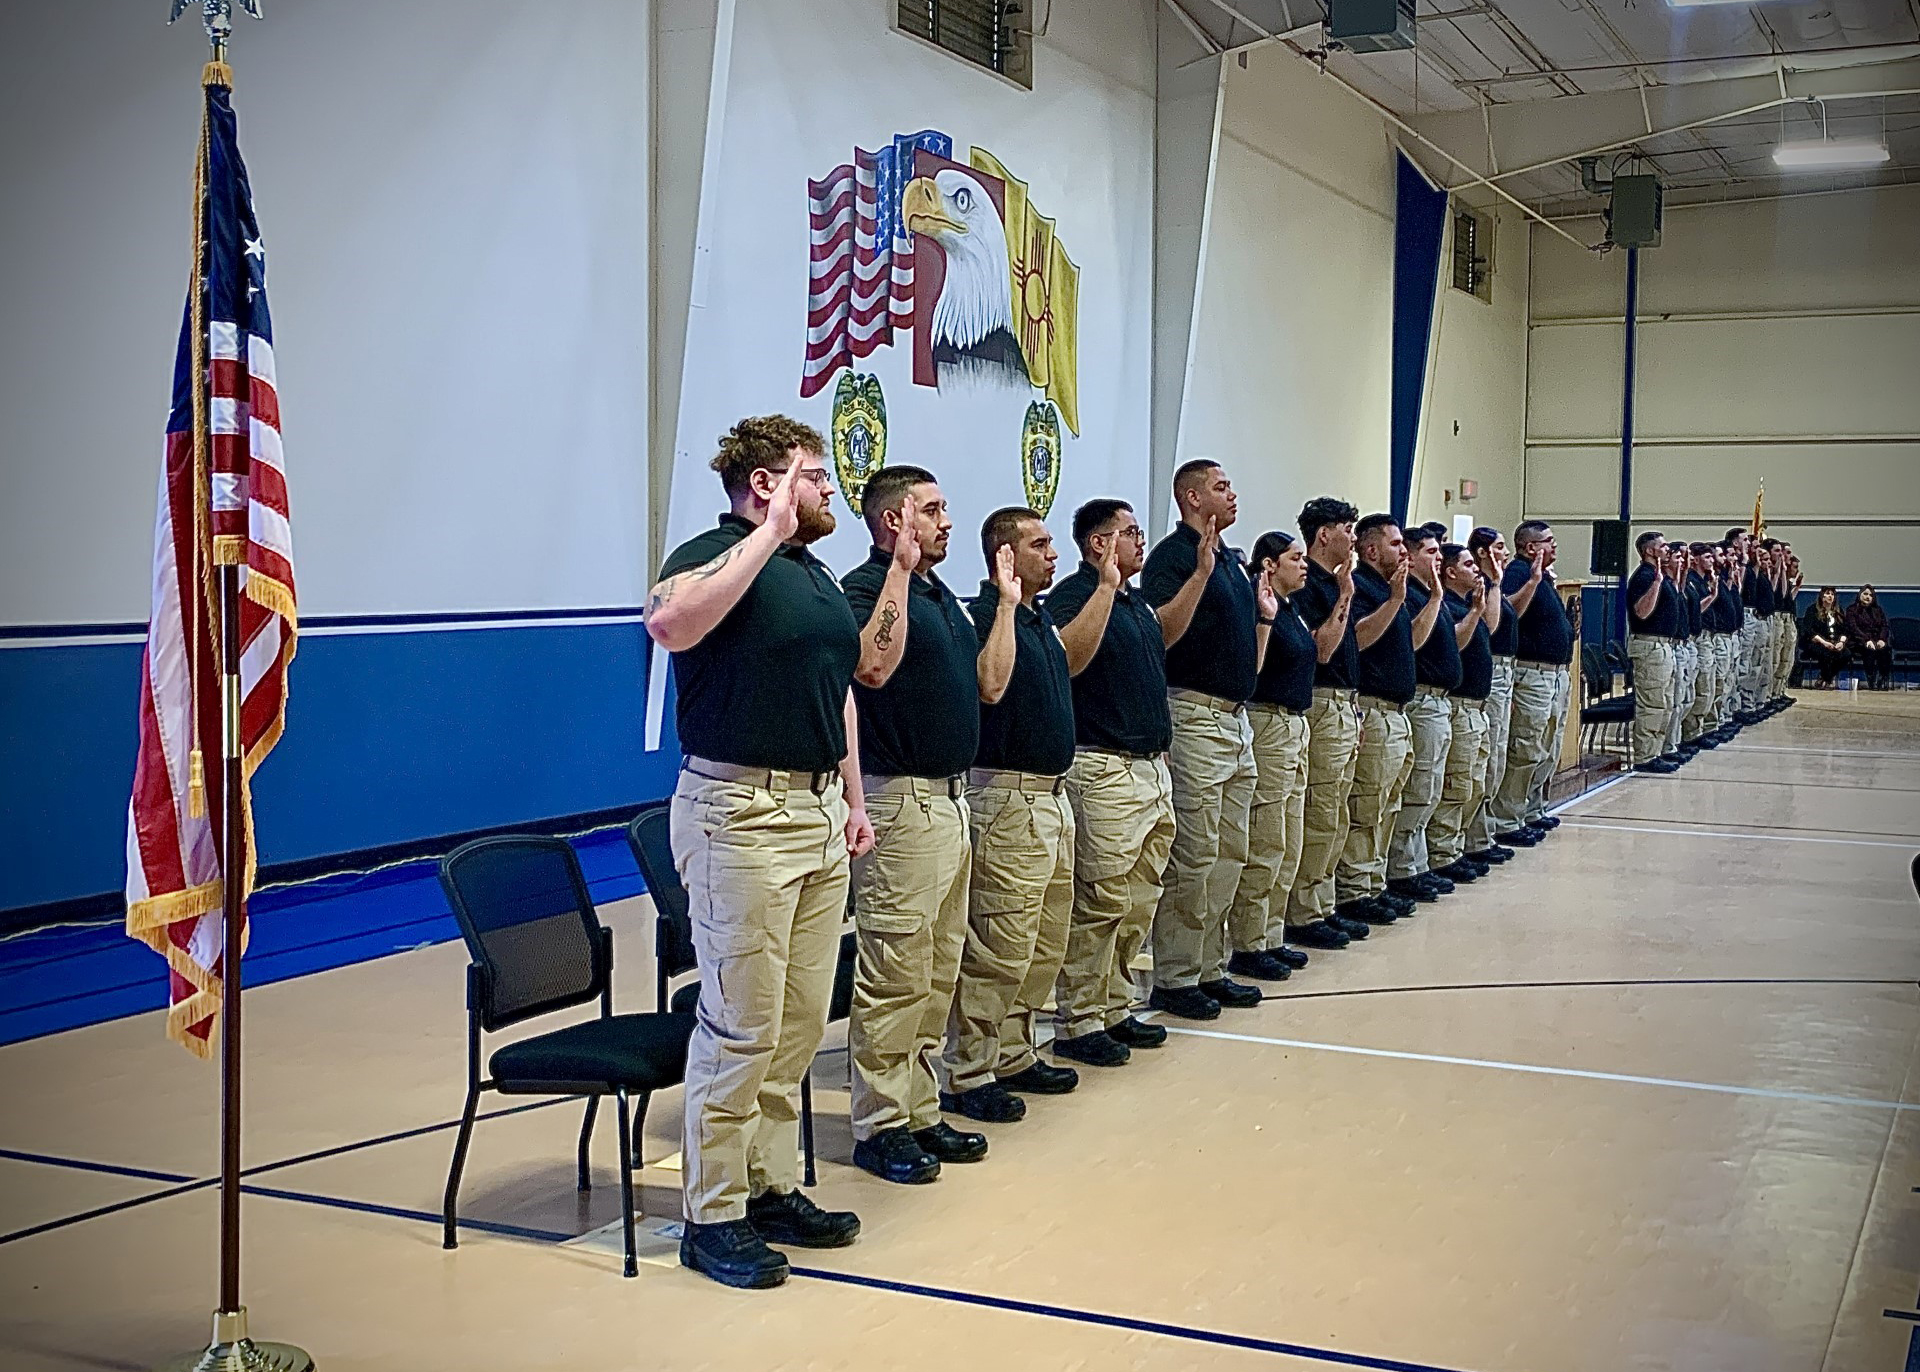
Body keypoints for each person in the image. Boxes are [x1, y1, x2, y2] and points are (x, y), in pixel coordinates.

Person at [647, 415, 871, 1289]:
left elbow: (838, 691)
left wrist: (853, 800)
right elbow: (669, 624)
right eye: (815, 477)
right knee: (740, 1026)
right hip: (736, 811)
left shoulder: (811, 576)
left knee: (798, 1023)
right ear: (767, 483)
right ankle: (712, 1216)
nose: (829, 494)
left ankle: (770, 1184)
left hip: (815, 814)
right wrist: (767, 534)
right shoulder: (713, 550)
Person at [841, 465, 992, 1187]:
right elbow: (871, 666)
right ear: (893, 521)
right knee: (895, 968)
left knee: (938, 967)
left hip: (953, 801)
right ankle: (879, 1122)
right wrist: (898, 572)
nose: (947, 522)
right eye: (932, 510)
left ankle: (921, 1106)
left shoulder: (940, 595)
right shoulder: (867, 588)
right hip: (901, 802)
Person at [942, 508, 1083, 1123]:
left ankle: (1017, 1051)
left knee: (1043, 942)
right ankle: (970, 1070)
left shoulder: (1042, 620)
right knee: (999, 944)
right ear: (1004, 556)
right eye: (1039, 545)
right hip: (1006, 799)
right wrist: (1003, 603)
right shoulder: (986, 617)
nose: (1053, 554)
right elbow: (989, 688)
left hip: (1053, 797)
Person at [1140, 460, 1274, 1018]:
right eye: (1221, 487)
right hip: (1194, 715)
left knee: (1230, 852)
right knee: (1193, 855)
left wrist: (1264, 617)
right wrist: (1199, 573)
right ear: (1192, 498)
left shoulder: (1232, 562)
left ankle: (1212, 965)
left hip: (1236, 720)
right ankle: (1175, 974)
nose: (1233, 494)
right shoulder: (1173, 558)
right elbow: (1162, 635)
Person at [1047, 499, 1178, 1067]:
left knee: (1140, 897)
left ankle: (1117, 1003)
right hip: (1102, 767)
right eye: (1129, 533)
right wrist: (1104, 586)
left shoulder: (1137, 601)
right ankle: (1080, 1017)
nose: (1140, 541)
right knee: (1100, 899)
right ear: (1098, 544)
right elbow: (1070, 662)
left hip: (1150, 768)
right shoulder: (1075, 596)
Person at [1335, 513, 1437, 920]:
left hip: (1397, 712)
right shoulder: (1364, 587)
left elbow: (1410, 640)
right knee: (1367, 806)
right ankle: (1356, 889)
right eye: (1396, 544)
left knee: (1388, 804)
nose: (1403, 552)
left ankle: (1375, 881)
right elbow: (1355, 638)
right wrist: (1395, 601)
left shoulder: (1391, 588)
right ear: (1371, 549)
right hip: (1374, 710)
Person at [1225, 530, 1317, 979]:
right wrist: (1263, 619)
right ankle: (1248, 942)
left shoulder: (1291, 610)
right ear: (1269, 565)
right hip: (1268, 722)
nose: (1304, 565)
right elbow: (1254, 669)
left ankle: (1271, 934)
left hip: (1295, 724)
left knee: (1290, 837)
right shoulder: (1259, 611)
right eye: (1294, 558)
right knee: (1266, 836)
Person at [1282, 497, 1364, 950]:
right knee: (1320, 811)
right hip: (1319, 702)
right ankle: (1305, 910)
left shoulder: (1334, 583)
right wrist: (1347, 594)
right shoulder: (1311, 586)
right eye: (1346, 528)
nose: (1351, 537)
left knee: (1338, 812)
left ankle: (1324, 901)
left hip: (1344, 704)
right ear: (1324, 534)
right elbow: (1324, 650)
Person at [1385, 525, 1470, 900]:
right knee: (1417, 788)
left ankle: (1419, 862)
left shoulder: (1424, 594)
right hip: (1420, 700)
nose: (1438, 558)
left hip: (1440, 700)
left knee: (1433, 787)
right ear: (1412, 555)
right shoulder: (1410, 596)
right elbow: (1415, 642)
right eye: (1431, 552)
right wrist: (1436, 596)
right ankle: (1404, 869)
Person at [1490, 521, 1573, 844]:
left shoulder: (1544, 577)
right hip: (1532, 673)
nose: (1555, 547)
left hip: (1554, 674)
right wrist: (1534, 581)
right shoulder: (1518, 573)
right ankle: (1508, 818)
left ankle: (1532, 808)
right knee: (1525, 748)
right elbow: (1509, 612)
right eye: (1548, 542)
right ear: (1529, 547)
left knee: (1547, 748)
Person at [1430, 543, 1496, 882]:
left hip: (1476, 705)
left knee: (1472, 783)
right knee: (1454, 785)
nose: (1476, 569)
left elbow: (1493, 627)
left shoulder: (1468, 603)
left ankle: (1457, 846)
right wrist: (1474, 613)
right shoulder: (1447, 606)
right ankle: (1443, 854)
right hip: (1457, 703)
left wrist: (1484, 602)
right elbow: (1456, 642)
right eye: (1469, 564)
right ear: (1451, 572)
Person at [1465, 527, 1517, 868]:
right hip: (1488, 671)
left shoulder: (1496, 581)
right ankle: (1475, 838)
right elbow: (1491, 625)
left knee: (1496, 755)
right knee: (1486, 761)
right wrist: (1496, 584)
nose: (1506, 553)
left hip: (1505, 670)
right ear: (1483, 552)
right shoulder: (1479, 585)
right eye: (1499, 547)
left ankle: (1484, 833)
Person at [1625, 530, 1683, 774]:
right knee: (1652, 703)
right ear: (1650, 551)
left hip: (1663, 645)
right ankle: (1645, 756)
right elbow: (1641, 612)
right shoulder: (1644, 577)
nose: (1667, 549)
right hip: (1649, 646)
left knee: (1665, 703)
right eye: (1663, 546)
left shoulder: (1658, 575)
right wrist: (1658, 583)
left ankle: (1657, 751)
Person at [1846, 585, 1893, 689]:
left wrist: (1882, 639)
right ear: (1860, 595)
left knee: (1885, 650)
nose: (1868, 597)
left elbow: (1884, 626)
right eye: (1865, 594)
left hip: (1876, 639)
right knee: (1869, 650)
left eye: (1871, 595)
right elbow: (1853, 628)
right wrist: (1866, 640)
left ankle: (1883, 678)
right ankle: (1871, 680)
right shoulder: (1851, 610)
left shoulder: (1878, 610)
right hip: (1858, 641)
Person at [1801, 586, 1849, 687]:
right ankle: (1828, 681)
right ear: (1822, 596)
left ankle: (1825, 677)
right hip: (1817, 642)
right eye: (1827, 594)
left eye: (1832, 594)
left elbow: (1845, 630)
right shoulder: (1812, 610)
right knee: (1826, 654)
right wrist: (1824, 642)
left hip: (1834, 642)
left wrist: (1841, 642)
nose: (1830, 596)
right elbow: (1808, 630)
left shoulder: (1839, 612)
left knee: (1846, 654)